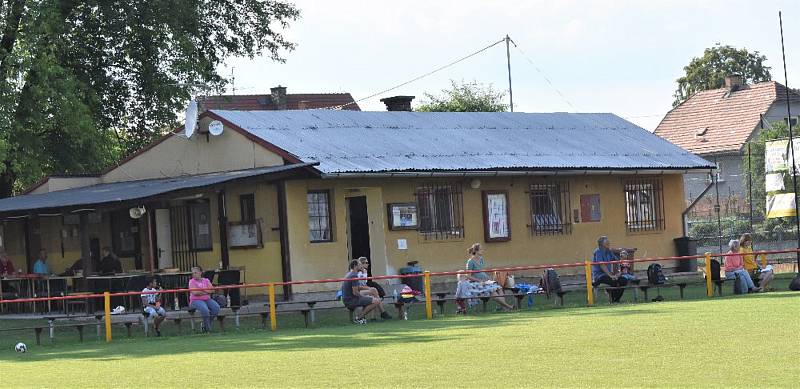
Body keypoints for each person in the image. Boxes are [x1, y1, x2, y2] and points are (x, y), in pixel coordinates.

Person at [465, 243, 514, 311]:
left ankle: (504, 307)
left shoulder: (481, 259)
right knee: (493, 291)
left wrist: (487, 279)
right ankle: (508, 307)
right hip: (477, 283)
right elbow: (468, 276)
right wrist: (480, 281)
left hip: (486, 281)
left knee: (499, 288)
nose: (483, 250)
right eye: (481, 249)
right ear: (476, 251)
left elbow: (481, 271)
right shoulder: (470, 262)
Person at [341, 260, 391, 324]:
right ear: (355, 266)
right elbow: (355, 292)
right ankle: (359, 318)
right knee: (377, 301)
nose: (361, 266)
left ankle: (383, 313)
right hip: (351, 299)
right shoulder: (354, 276)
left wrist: (369, 288)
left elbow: (357, 287)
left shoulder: (350, 274)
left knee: (373, 290)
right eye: (359, 264)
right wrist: (364, 297)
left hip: (349, 297)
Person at [592, 236, 628, 303]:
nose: (609, 243)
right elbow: (602, 265)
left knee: (624, 280)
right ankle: (613, 300)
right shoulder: (598, 252)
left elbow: (616, 261)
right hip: (599, 276)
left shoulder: (609, 251)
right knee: (613, 281)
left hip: (609, 274)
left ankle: (616, 300)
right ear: (602, 244)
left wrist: (618, 272)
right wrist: (610, 275)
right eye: (607, 242)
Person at [188, 266, 220, 332]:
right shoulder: (191, 281)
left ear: (200, 273)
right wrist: (206, 291)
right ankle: (207, 329)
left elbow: (212, 290)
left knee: (216, 308)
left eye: (195, 273)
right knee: (205, 310)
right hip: (195, 300)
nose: (194, 274)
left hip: (207, 299)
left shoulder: (206, 280)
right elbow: (195, 292)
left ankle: (205, 325)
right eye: (193, 273)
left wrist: (202, 291)